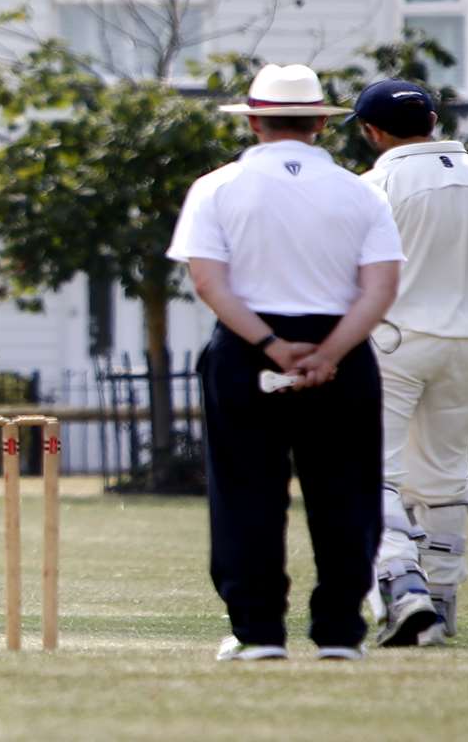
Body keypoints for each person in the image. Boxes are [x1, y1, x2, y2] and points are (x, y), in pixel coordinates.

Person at [167, 64, 403, 662]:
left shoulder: (217, 187)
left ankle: (257, 632)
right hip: (340, 347)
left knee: (246, 491)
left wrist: (272, 346)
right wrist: (329, 353)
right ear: (322, 123)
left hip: (248, 346)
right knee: (345, 491)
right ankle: (339, 633)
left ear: (253, 121)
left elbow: (208, 281)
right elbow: (379, 288)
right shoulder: (359, 191)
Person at [349, 79, 468, 646]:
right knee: (447, 472)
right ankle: (442, 597)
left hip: (394, 340)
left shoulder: (375, 185)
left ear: (371, 131)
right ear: (433, 120)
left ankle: (400, 585)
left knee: (371, 472)